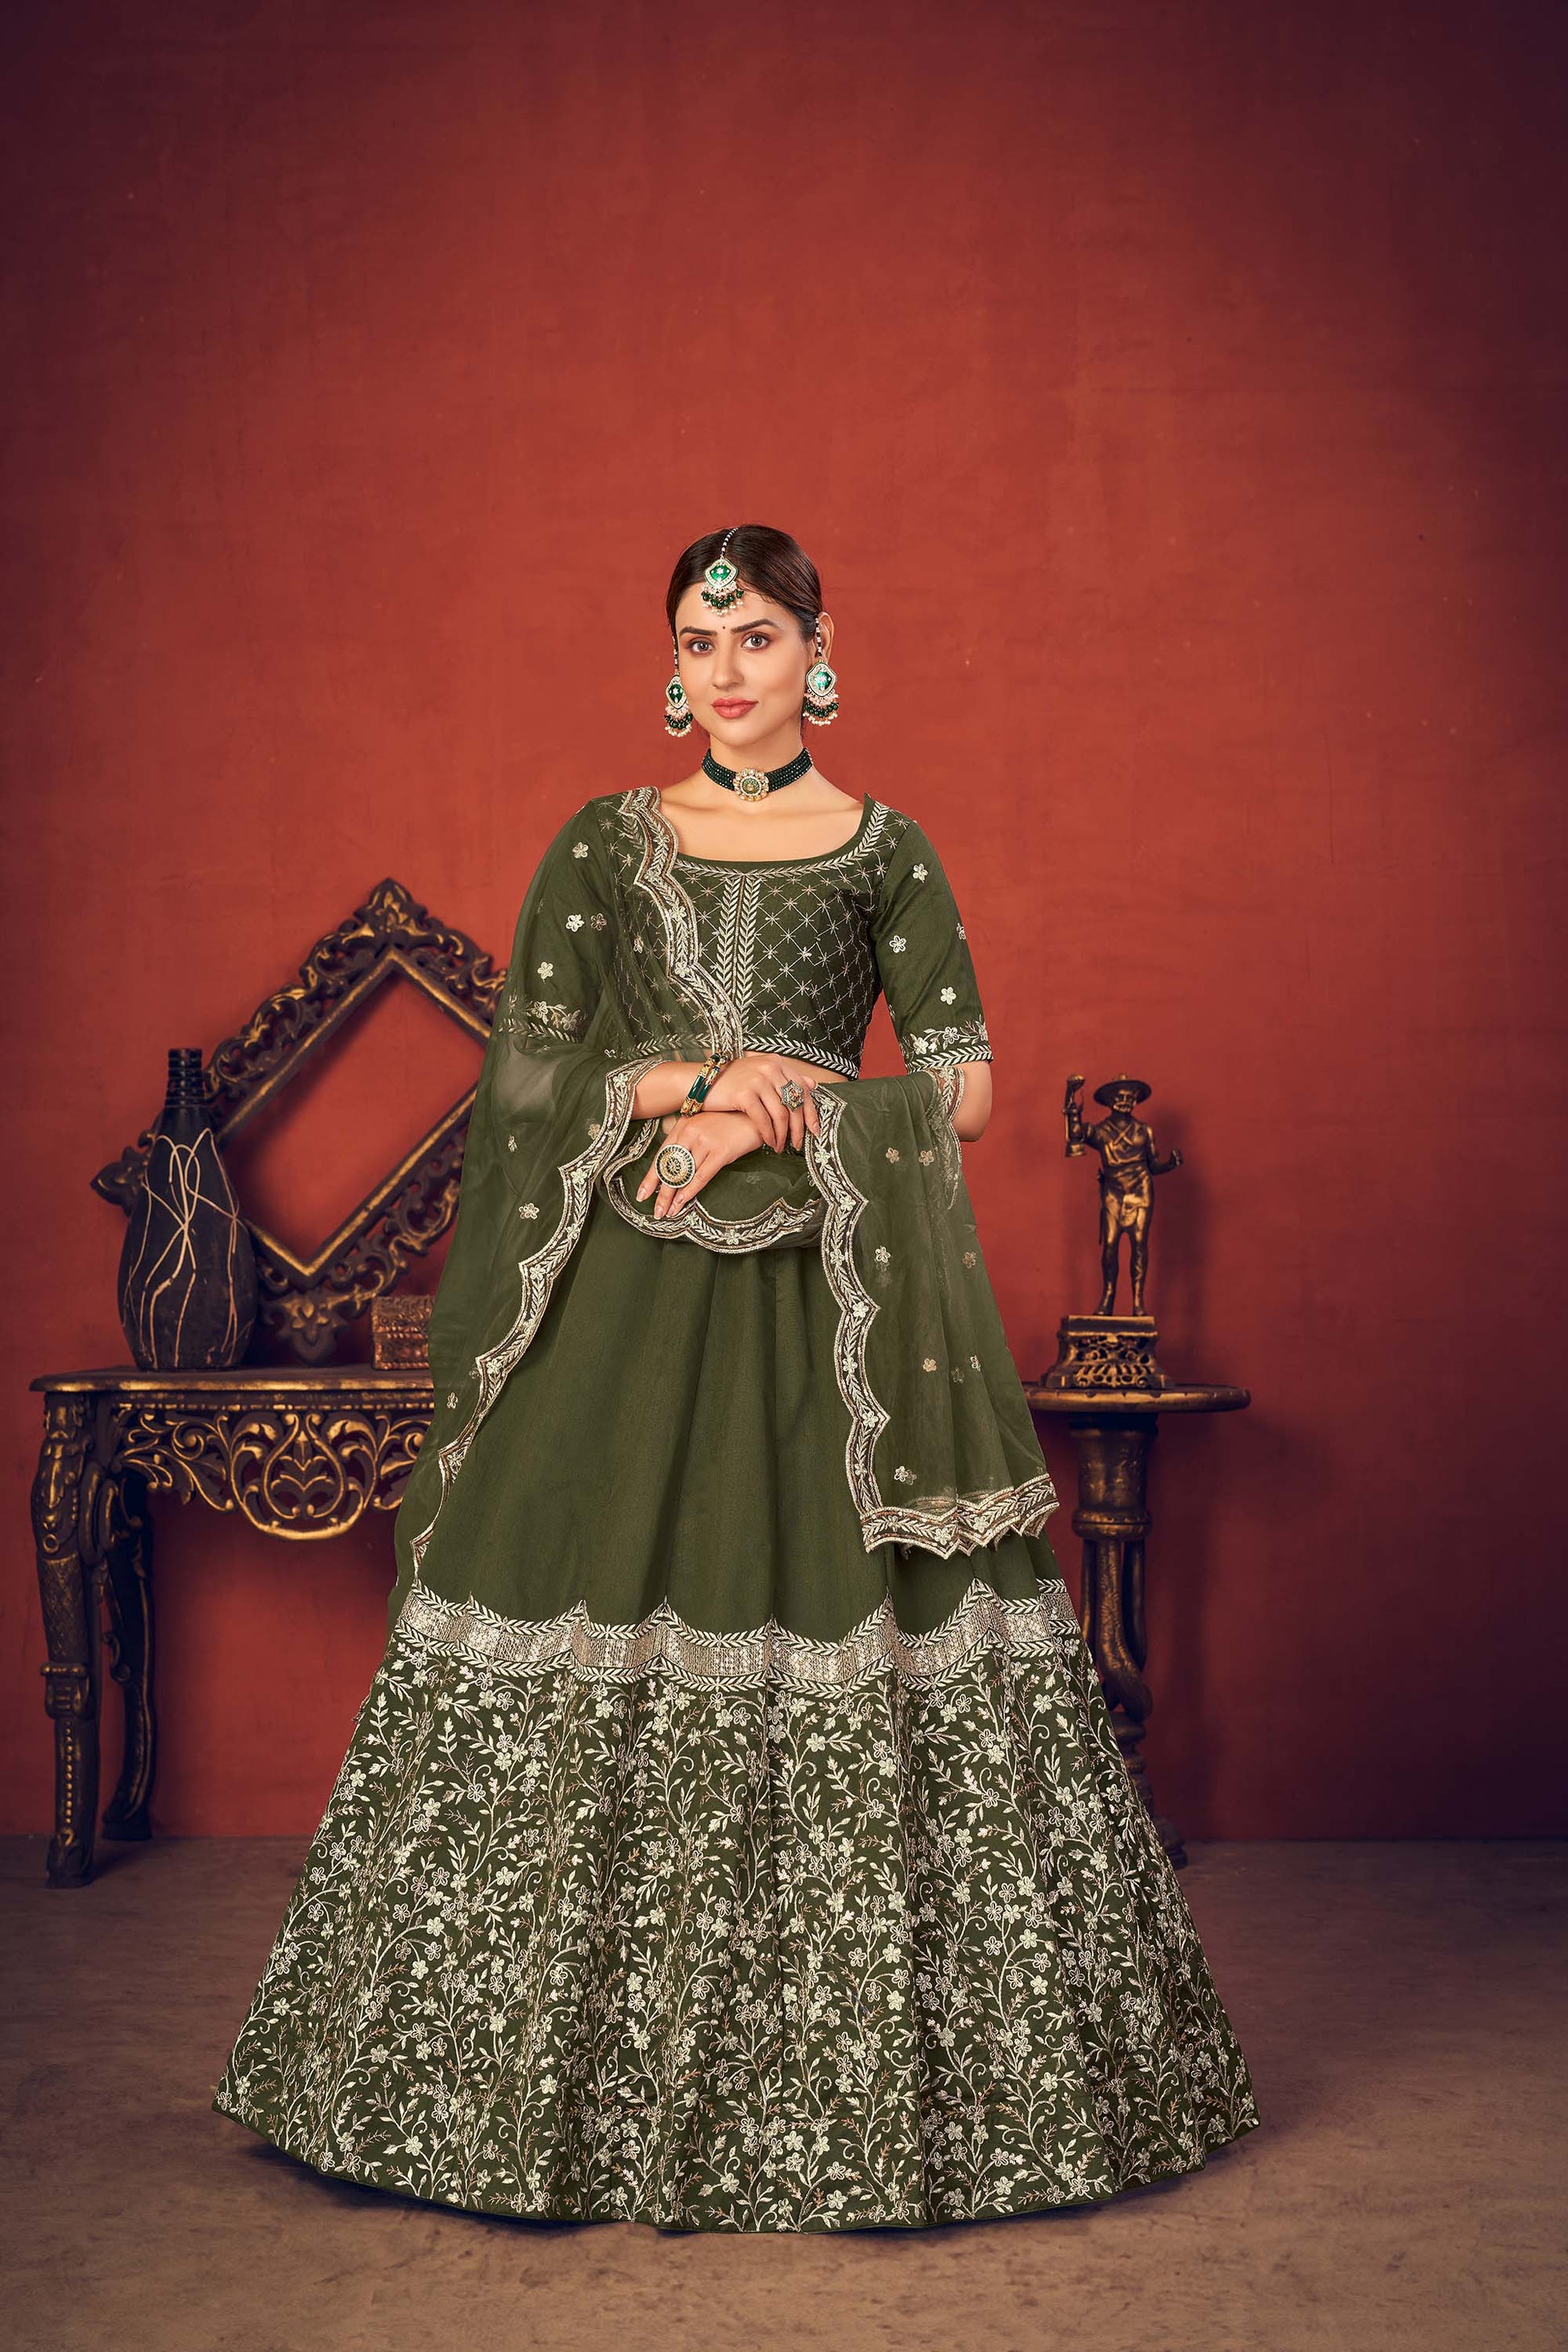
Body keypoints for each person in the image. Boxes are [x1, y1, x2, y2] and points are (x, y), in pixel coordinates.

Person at [213, 525, 1260, 2232]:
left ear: (819, 649)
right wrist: (692, 1085)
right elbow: (528, 1074)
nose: (724, 669)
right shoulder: (605, 842)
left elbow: (967, 1086)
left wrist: (791, 1090)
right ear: (670, 664)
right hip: (625, 1287)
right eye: (697, 641)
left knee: (838, 1605)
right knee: (592, 1583)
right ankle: (503, 2098)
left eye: (756, 635)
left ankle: (866, 2094)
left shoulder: (885, 849)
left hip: (833, 1304)